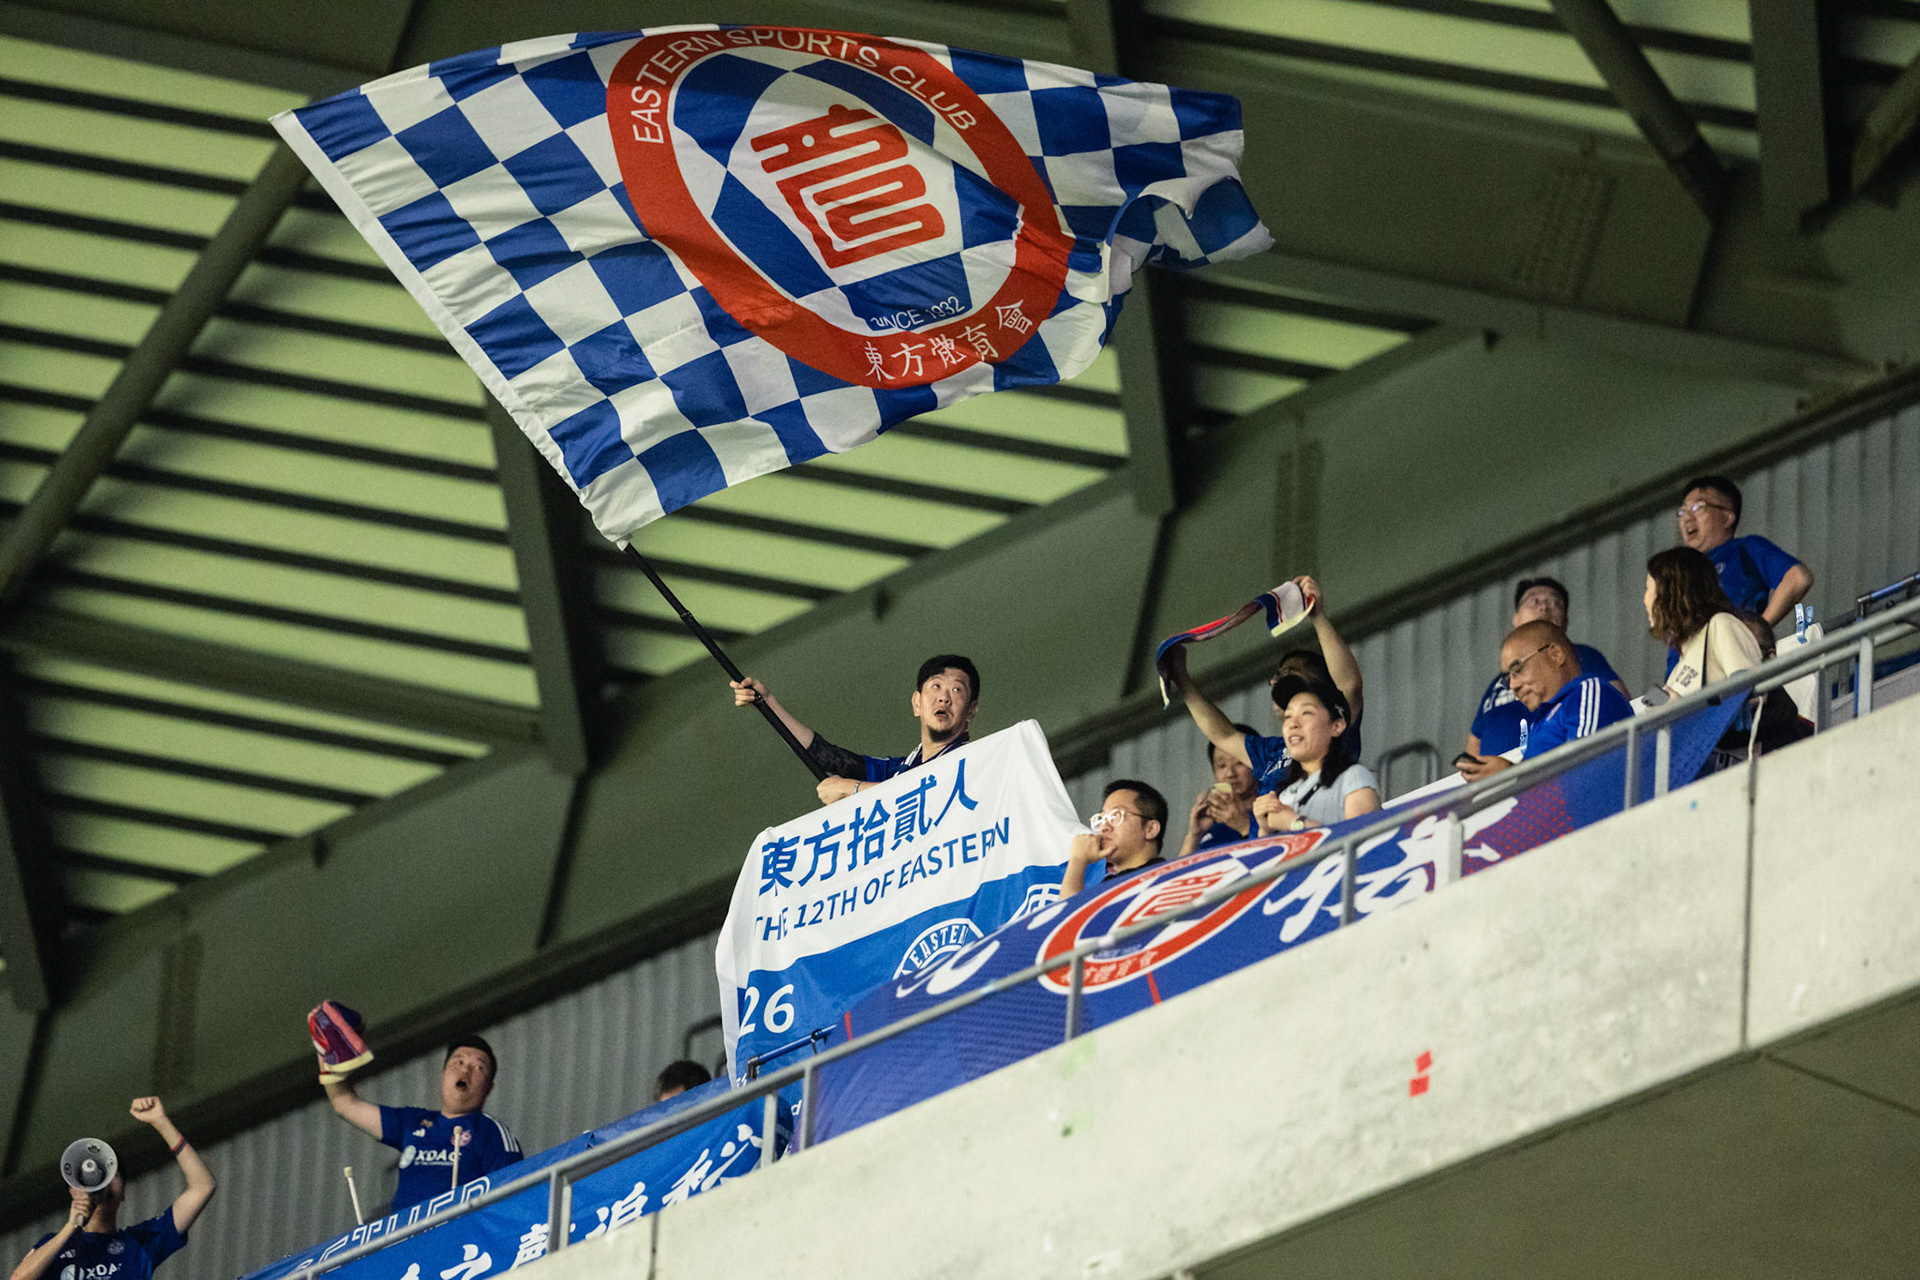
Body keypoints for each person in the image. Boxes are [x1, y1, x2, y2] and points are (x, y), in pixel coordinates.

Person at [1165, 575, 1368, 794]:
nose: (1274, 681)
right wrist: (1180, 678)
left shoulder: (1337, 730)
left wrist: (1317, 616)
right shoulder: (1273, 751)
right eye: (1276, 676)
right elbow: (1224, 736)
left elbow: (1349, 686)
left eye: (1288, 673)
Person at [731, 655, 980, 806]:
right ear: (917, 703)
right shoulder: (898, 772)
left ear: (971, 710)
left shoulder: (976, 763)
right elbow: (827, 756)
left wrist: (850, 789)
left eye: (957, 690)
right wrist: (768, 703)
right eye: (935, 686)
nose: (944, 698)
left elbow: (933, 792)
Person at [9, 1097, 214, 1280]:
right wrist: (70, 1228)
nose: (102, 1183)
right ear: (73, 1191)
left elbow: (203, 1187)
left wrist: (161, 1122)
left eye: (111, 1174)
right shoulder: (52, 1245)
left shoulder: (142, 1242)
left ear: (123, 1192)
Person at [319, 1035, 521, 1213]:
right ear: (443, 1075)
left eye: (478, 1067)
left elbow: (512, 1199)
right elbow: (344, 1104)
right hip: (403, 1243)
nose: (465, 1071)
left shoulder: (491, 1131)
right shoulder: (412, 1122)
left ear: (489, 1087)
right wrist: (324, 1048)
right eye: (458, 1063)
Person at [1466, 577, 1625, 758]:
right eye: (1534, 601)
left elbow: (1579, 768)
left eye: (1555, 602)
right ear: (1516, 618)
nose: (1544, 607)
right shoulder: (1536, 725)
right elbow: (1474, 742)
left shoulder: (1589, 677)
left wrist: (1509, 772)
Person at [1459, 621, 1633, 780]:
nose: (1513, 685)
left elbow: (1583, 768)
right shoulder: (1539, 724)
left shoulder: (1589, 690)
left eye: (1518, 669)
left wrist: (1510, 773)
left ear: (1556, 654)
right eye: (1508, 678)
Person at [1676, 474, 1813, 628]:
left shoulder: (1745, 549)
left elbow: (1797, 578)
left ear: (1728, 518)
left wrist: (1757, 631)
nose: (1687, 518)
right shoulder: (1680, 571)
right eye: (1682, 512)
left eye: (1698, 507)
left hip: (1730, 649)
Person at [1250, 678, 1380, 832]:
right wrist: (1265, 828)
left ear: (1336, 726)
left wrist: (1295, 823)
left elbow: (1365, 847)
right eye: (1288, 716)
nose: (1293, 723)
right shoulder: (1286, 794)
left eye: (1307, 713)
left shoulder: (1354, 777)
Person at [1645, 547, 1763, 700]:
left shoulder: (1721, 624)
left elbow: (1749, 692)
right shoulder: (1679, 666)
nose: (1644, 599)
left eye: (1647, 588)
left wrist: (1683, 709)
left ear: (1669, 593)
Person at [1062, 780, 1168, 896]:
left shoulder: (1164, 882)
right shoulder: (1107, 886)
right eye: (1101, 819)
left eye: (1116, 816)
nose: (1103, 828)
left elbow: (1076, 913)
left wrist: (1077, 861)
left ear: (1150, 829)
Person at [1177, 724, 1258, 856]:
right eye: (1221, 766)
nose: (1230, 773)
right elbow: (1179, 874)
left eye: (1239, 762)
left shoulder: (1276, 809)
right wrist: (1194, 836)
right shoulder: (1208, 827)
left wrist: (1244, 825)